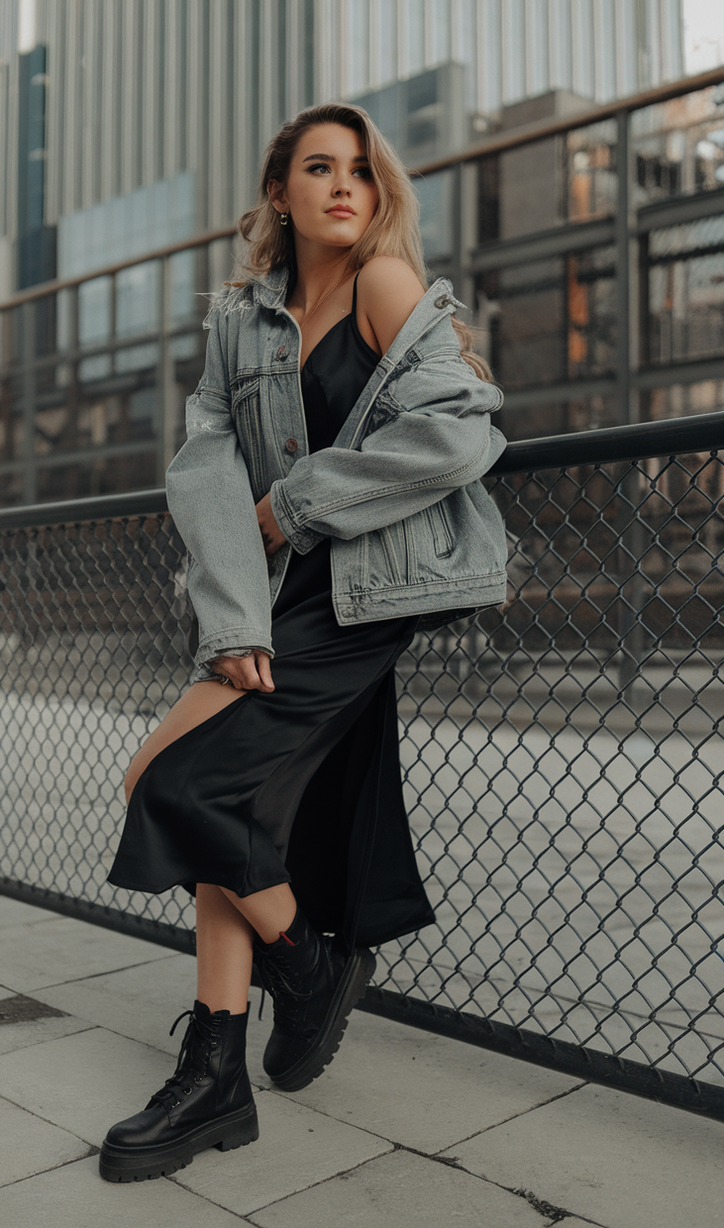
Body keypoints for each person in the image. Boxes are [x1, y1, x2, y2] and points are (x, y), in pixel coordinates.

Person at [98, 102, 507, 1183]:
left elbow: (456, 432)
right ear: (277, 191)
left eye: (360, 173)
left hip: (364, 591)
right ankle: (224, 1062)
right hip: (268, 598)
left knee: (176, 787)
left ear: (379, 196)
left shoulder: (383, 284)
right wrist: (233, 614)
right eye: (316, 169)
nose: (341, 187)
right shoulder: (239, 320)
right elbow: (203, 468)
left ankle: (309, 973)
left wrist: (298, 501)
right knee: (197, 791)